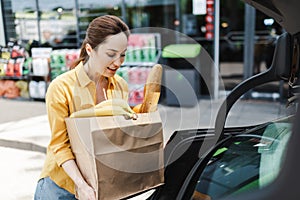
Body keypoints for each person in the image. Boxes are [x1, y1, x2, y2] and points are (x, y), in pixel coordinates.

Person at [34, 15, 130, 200]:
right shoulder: (61, 87)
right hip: (62, 188)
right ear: (90, 49)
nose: (118, 62)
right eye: (111, 54)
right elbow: (60, 145)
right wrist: (82, 186)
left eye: (123, 54)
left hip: (101, 185)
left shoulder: (120, 86)